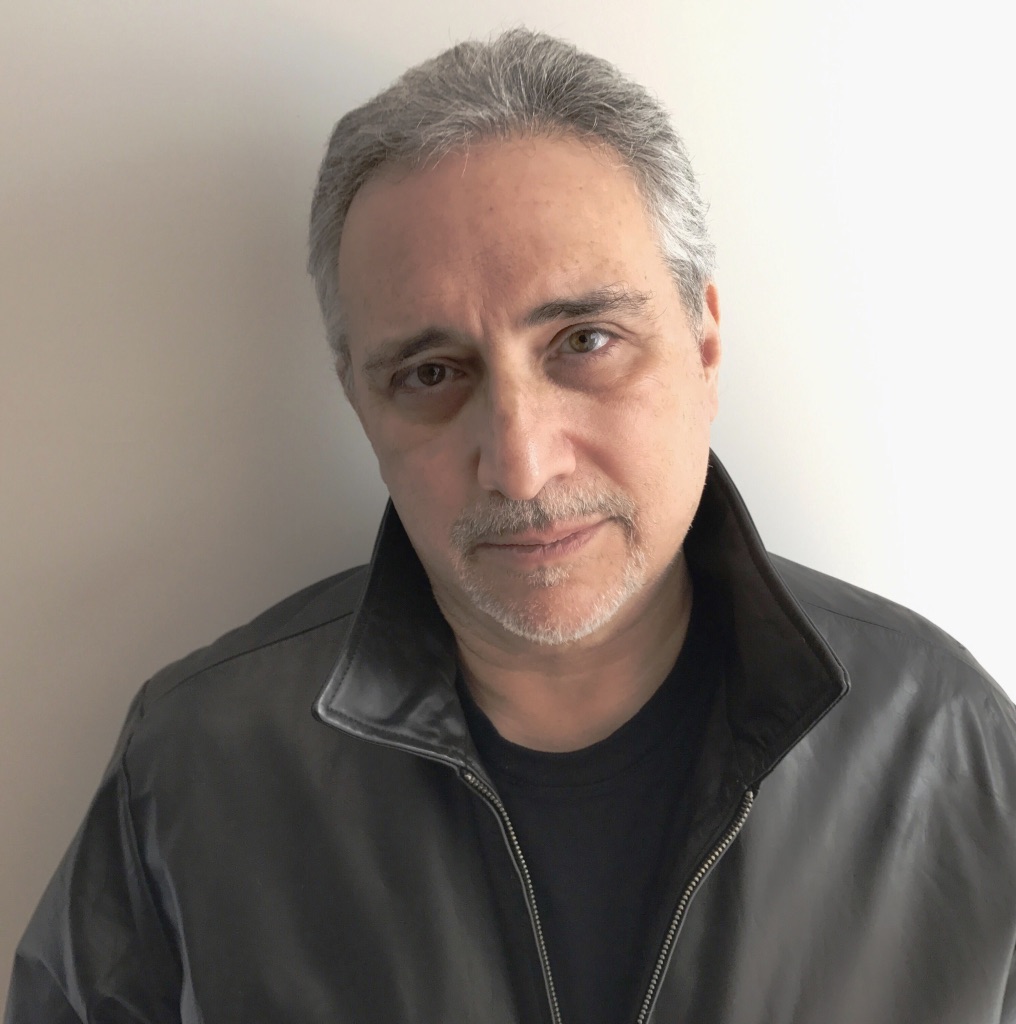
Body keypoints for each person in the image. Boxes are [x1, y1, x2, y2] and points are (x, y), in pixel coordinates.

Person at [6, 27, 1016, 1024]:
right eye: (431, 373)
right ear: (359, 401)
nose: (522, 464)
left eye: (585, 340)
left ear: (704, 343)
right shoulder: (196, 769)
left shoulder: (949, 746)